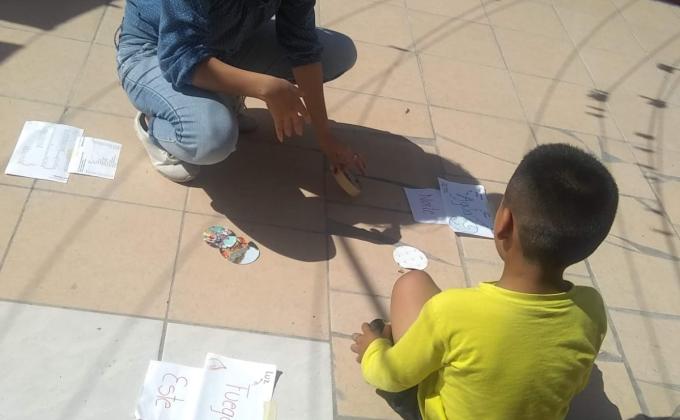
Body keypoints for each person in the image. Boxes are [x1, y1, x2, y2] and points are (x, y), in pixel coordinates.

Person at [350, 144, 619, 420]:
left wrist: (373, 349)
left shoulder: (452, 311)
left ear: (504, 222)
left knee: (411, 283)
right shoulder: (592, 310)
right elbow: (577, 384)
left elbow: (390, 376)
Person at [116, 0, 365, 182]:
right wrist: (264, 88)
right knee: (213, 139)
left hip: (226, 42)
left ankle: (224, 94)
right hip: (154, 49)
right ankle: (153, 127)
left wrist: (325, 136)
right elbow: (179, 57)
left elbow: (302, 45)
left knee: (338, 52)